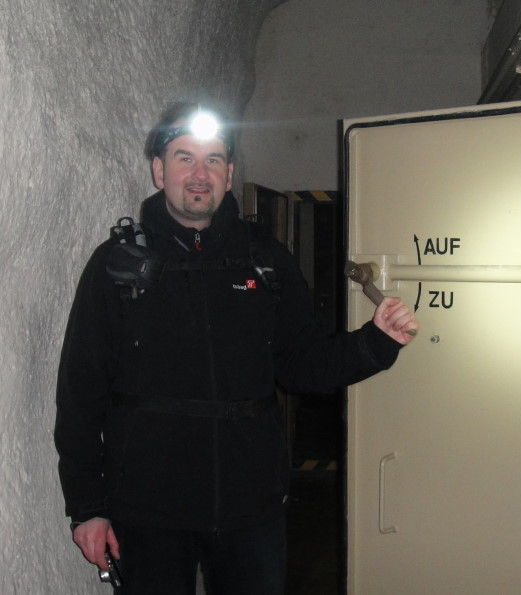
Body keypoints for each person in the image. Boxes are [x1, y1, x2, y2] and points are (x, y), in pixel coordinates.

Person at [54, 102, 418, 594]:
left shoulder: (265, 261)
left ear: (228, 175)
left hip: (250, 508)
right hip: (147, 509)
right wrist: (88, 507)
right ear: (159, 171)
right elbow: (80, 392)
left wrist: (375, 343)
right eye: (184, 158)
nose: (199, 173)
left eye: (213, 160)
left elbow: (302, 365)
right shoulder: (117, 266)